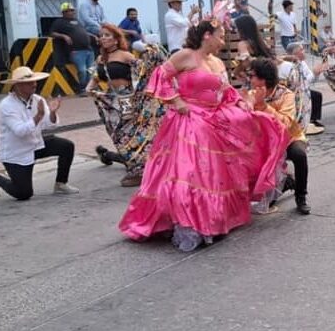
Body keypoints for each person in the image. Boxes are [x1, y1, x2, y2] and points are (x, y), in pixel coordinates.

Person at [118, 20, 290, 252]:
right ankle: (187, 222)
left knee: (217, 169)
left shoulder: (218, 62)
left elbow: (227, 92)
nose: (223, 41)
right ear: (207, 35)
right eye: (220, 36)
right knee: (190, 174)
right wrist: (176, 101)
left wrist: (243, 101)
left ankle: (211, 221)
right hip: (188, 120)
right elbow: (159, 76)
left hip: (213, 118)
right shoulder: (185, 56)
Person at [86, 24, 165, 187]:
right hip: (112, 102)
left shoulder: (125, 55)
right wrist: (90, 89)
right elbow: (94, 78)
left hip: (130, 99)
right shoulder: (101, 59)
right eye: (101, 36)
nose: (103, 38)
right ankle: (134, 165)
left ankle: (138, 169)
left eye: (107, 35)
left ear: (116, 39)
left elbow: (144, 71)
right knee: (118, 135)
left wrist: (151, 51)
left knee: (133, 134)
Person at [0, 67, 79, 200]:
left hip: (36, 144)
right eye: (30, 82)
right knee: (23, 194)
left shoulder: (37, 99)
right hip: (17, 152)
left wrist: (52, 112)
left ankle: (61, 183)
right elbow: (20, 131)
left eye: (35, 81)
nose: (34, 85)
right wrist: (38, 116)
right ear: (17, 86)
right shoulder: (6, 105)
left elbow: (50, 124)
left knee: (66, 146)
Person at [248, 58, 312, 215]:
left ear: (264, 79)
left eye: (253, 76)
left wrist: (264, 106)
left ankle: (301, 197)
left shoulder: (286, 95)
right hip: (264, 143)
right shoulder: (251, 94)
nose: (250, 79)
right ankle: (286, 182)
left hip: (289, 138)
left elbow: (286, 123)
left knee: (299, 154)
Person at [279, 41, 326, 135]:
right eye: (301, 50)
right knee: (310, 96)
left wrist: (316, 74)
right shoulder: (289, 65)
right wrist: (314, 73)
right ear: (294, 54)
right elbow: (301, 83)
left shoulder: (303, 63)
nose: (304, 52)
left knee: (316, 95)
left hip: (303, 88)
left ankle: (313, 119)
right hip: (293, 90)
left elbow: (309, 80)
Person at [49, 2, 95, 90]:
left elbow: (83, 31)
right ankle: (82, 88)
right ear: (64, 12)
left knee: (91, 70)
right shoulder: (59, 22)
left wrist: (93, 36)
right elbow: (52, 33)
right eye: (69, 11)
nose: (72, 12)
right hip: (76, 51)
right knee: (82, 71)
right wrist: (63, 36)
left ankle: (89, 89)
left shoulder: (77, 21)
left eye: (72, 10)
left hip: (88, 50)